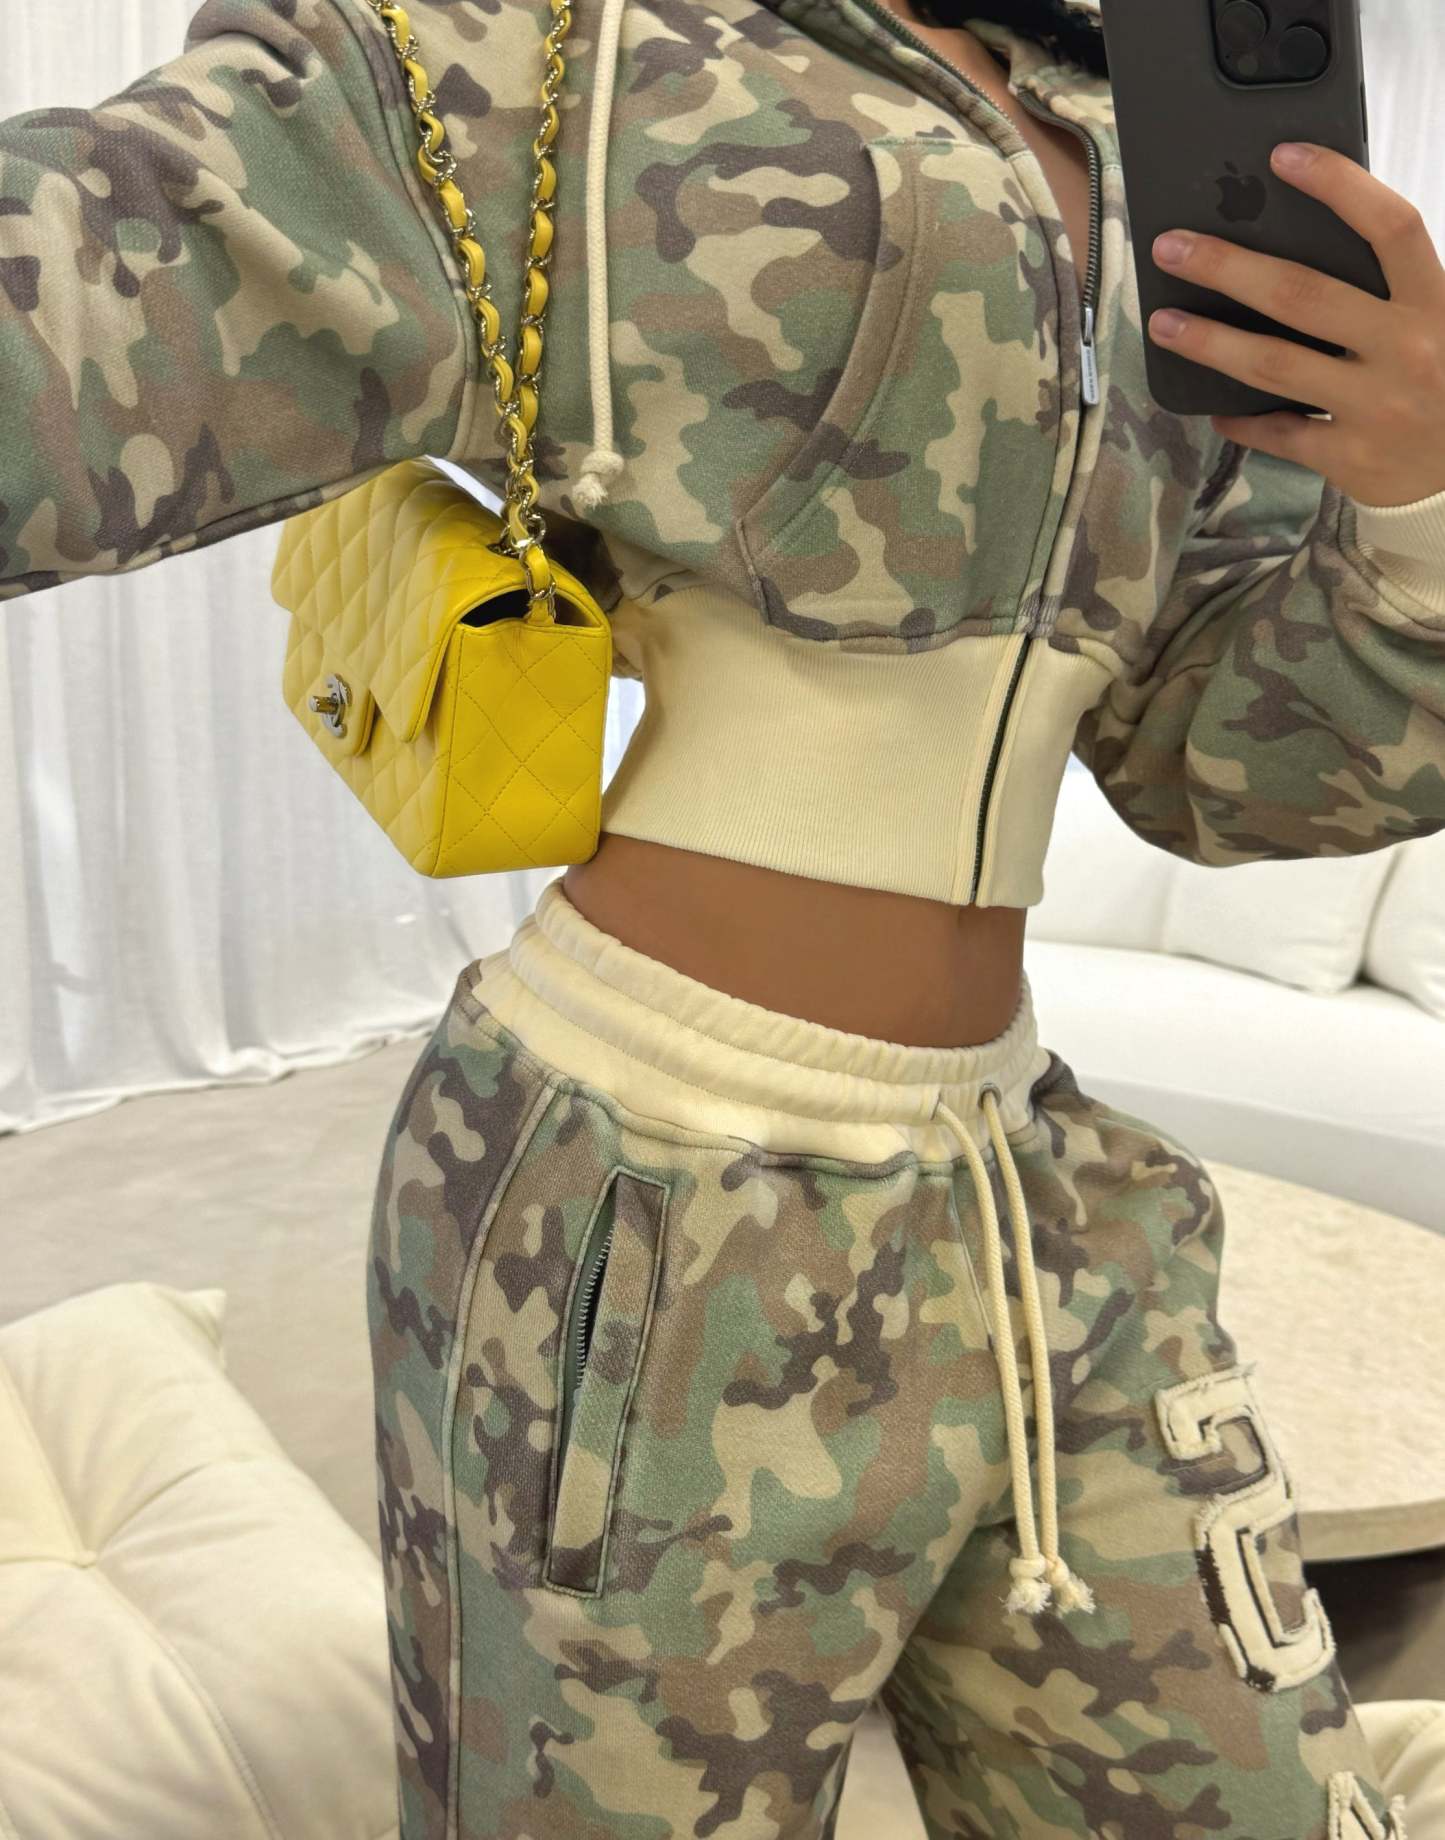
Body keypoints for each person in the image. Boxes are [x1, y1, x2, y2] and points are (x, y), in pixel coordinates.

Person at [4, 0, 1444, 1832]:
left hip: (1034, 1194)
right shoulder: (564, 47)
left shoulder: (1139, 132)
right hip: (640, 1218)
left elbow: (1223, 766)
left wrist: (1419, 497)